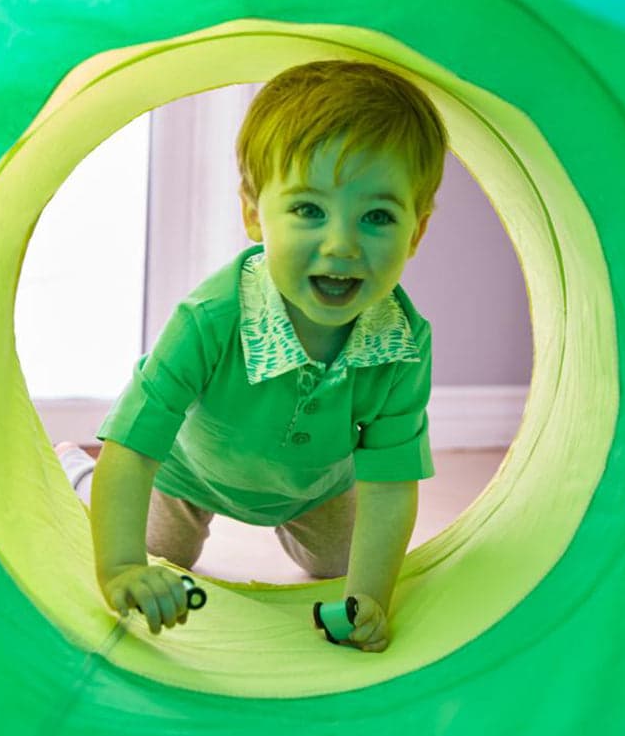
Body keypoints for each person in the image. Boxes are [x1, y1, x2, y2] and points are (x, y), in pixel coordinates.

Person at [60, 60, 446, 653]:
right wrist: (118, 569)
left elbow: (391, 484)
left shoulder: (402, 343)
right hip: (189, 473)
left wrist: (369, 601)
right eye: (309, 210)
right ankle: (76, 475)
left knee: (342, 566)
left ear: (415, 234)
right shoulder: (211, 319)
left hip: (319, 485)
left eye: (376, 217)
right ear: (253, 214)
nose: (341, 245)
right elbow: (134, 448)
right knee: (161, 555)